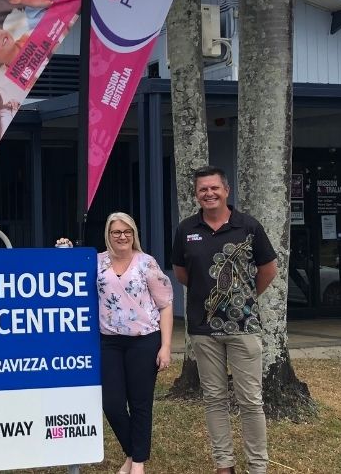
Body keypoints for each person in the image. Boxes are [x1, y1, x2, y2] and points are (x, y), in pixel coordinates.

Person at [171, 165, 278, 474]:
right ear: (196, 194)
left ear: (226, 191)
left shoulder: (248, 227)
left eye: (214, 188)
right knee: (215, 399)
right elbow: (182, 273)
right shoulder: (186, 230)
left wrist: (244, 298)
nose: (209, 193)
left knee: (250, 400)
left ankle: (257, 466)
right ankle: (224, 465)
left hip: (243, 327)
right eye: (203, 189)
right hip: (203, 329)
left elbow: (268, 268)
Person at [65, 212, 173, 474]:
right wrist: (66, 250)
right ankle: (132, 451)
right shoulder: (97, 261)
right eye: (116, 232)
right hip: (110, 342)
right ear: (108, 234)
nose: (122, 236)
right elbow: (72, 270)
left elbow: (166, 305)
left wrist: (166, 346)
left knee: (140, 403)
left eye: (127, 231)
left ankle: (137, 463)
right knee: (111, 403)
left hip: (144, 340)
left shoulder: (146, 263)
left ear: (134, 234)